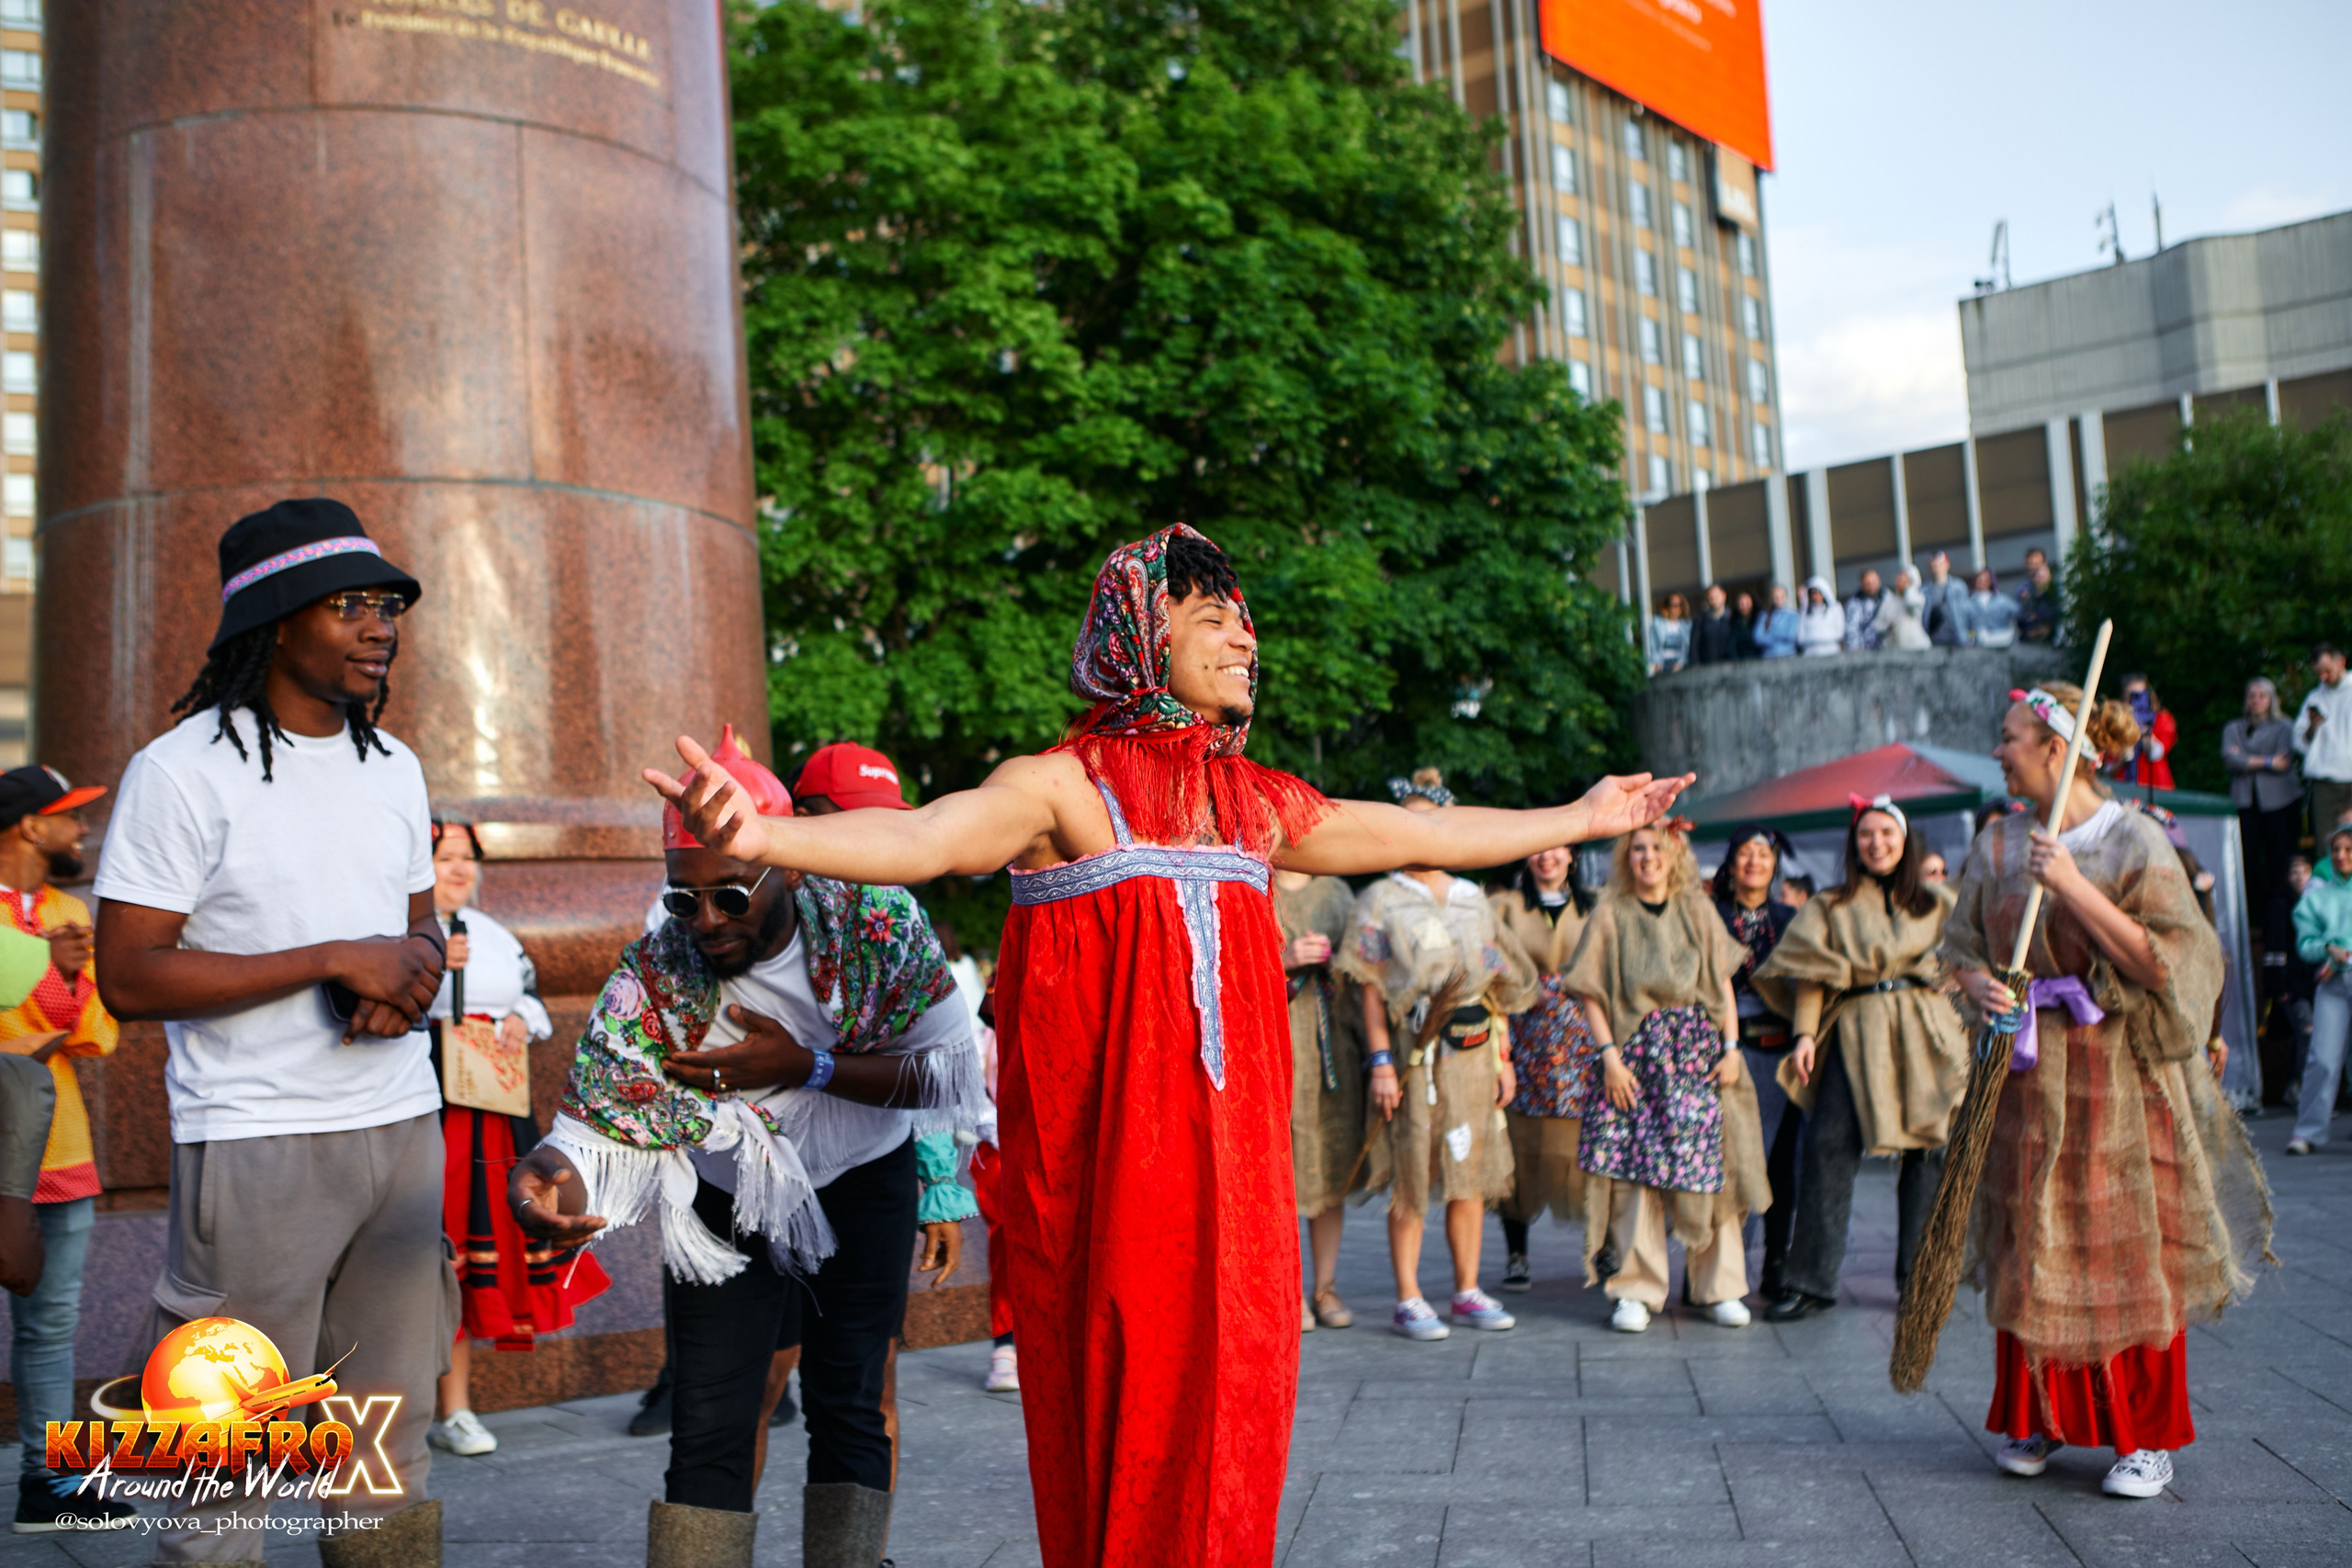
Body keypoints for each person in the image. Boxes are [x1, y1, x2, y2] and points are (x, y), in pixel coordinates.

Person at [638, 525, 1690, 1568]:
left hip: (1239, 1206)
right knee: (1125, 1415)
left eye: (1246, 623)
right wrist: (766, 838)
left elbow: (1421, 831)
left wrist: (1584, 814)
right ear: (1144, 632)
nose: (1246, 642)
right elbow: (925, 837)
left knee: (1240, 1418)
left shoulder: (1253, 803)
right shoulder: (1063, 787)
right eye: (1214, 619)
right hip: (1120, 1199)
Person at [511, 728, 983, 1568]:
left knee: (849, 1399)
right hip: (727, 1194)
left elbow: (944, 1076)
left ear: (789, 863)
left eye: (730, 896)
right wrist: (541, 1180)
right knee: (711, 1415)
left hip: (864, 1173)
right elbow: (591, 1123)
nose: (706, 922)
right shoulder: (657, 968)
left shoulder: (875, 918)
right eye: (683, 899)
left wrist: (807, 1066)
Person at [92, 498, 450, 1563]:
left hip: (402, 1128)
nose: (380, 625)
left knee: (386, 1457)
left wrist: (408, 980)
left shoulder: (396, 767)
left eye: (386, 604)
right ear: (275, 620)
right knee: (222, 1473)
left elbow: (421, 929)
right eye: (350, 605)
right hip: (257, 1145)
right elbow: (127, 975)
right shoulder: (180, 771)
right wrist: (336, 959)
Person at [1945, 683, 2270, 1499]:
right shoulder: (1994, 844)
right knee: (2033, 1241)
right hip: (2027, 1075)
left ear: (2054, 748)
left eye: (2010, 734)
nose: (1999, 748)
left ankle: (2145, 1437)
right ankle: (2040, 1416)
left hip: (2117, 1075)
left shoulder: (2135, 839)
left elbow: (2174, 961)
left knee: (2127, 1252)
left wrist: (2077, 888)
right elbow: (1955, 949)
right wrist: (1979, 983)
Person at [425, 818, 609, 1461]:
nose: (458, 869)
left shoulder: (497, 936)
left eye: (466, 858)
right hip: (426, 1114)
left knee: (478, 1257)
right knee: (428, 1256)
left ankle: (456, 1408)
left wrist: (514, 1019)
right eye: (445, 856)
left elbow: (532, 999)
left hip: (492, 1114)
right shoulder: (399, 932)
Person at [1752, 795, 1966, 1322]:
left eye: (1887, 834)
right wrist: (1804, 1036)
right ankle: (1811, 1279)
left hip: (1925, 1029)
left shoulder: (1939, 902)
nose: (1877, 843)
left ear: (1905, 841)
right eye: (1867, 834)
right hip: (1856, 1026)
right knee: (1828, 1147)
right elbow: (1811, 976)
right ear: (1855, 844)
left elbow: (1974, 957)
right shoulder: (1830, 905)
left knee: (1928, 1150)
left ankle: (1920, 1278)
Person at [1341, 769, 1537, 1339]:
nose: (1420, 830)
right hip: (1415, 1052)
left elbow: (1496, 985)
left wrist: (1504, 1056)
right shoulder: (1380, 898)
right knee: (1412, 1169)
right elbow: (1369, 985)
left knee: (1469, 1171)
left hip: (1476, 1050)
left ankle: (1468, 1288)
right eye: (1411, 819)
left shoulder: (1474, 898)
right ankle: (1408, 1296)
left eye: (1432, 820)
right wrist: (1380, 1060)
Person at [0, 766, 137, 1534]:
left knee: (52, 1324)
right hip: (3, 1149)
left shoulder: (66, 910)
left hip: (59, 1150)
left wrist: (63, 976)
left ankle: (48, 1483)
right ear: (28, 827)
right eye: (68, 817)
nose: (80, 830)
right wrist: (46, 981)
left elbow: (97, 1034)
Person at [1565, 821, 1767, 1333]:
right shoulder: (1609, 913)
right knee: (1635, 1175)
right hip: (1635, 1058)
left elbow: (1722, 983)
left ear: (1674, 854)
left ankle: (1718, 1286)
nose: (1647, 857)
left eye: (1657, 848)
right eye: (1637, 849)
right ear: (1625, 857)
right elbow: (1588, 991)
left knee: (1712, 1170)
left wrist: (1732, 1047)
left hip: (1697, 1055)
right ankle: (1635, 1288)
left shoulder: (1697, 909)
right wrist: (1609, 1057)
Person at [1490, 844, 1598, 1294]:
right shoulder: (1505, 907)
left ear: (1572, 855)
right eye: (1537, 850)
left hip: (1583, 1037)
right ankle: (1517, 1252)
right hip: (1525, 1032)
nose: (1546, 857)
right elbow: (1490, 963)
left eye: (1557, 849)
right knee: (1520, 1139)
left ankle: (1602, 1245)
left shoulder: (1597, 905)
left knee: (1589, 1138)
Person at [1709, 825, 1802, 1300]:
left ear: (1774, 863)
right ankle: (1723, 1270)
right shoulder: (1710, 916)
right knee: (1733, 1159)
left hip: (1785, 1049)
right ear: (1730, 863)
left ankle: (1777, 1266)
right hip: (1727, 1049)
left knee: (1785, 1161)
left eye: (1763, 854)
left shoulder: (1791, 918)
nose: (1753, 862)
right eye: (1744, 853)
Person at [1276, 863, 1366, 1331]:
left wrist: (1339, 962)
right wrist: (1285, 960)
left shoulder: (1336, 889)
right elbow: (1226, 964)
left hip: (1331, 1042)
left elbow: (1365, 967)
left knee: (1328, 1162)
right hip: (1276, 1043)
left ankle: (1325, 1286)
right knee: (1280, 1172)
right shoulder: (1255, 882)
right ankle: (1286, 1290)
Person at [2223, 677, 2301, 963]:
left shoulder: (2284, 726)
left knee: (2279, 859)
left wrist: (2246, 758)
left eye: (2262, 695)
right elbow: (2230, 760)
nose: (2256, 700)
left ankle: (2282, 915)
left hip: (2280, 802)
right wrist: (2267, 761)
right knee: (2246, 859)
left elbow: (2286, 761)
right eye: (2252, 695)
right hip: (2246, 802)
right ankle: (2253, 915)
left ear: (2272, 699)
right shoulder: (2233, 727)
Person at [2286, 823, 2352, 1156]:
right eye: (2336, 849)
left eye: (2348, 849)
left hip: (2341, 973)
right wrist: (2328, 948)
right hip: (2335, 985)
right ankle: (2307, 1131)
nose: (2341, 856)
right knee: (2323, 1058)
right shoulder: (2318, 898)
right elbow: (2305, 944)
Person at [2296, 645, 2352, 852]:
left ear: (2341, 662)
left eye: (2327, 671)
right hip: (2325, 783)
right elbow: (2299, 741)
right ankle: (2327, 884)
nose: (2323, 677)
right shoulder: (2315, 697)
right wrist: (2312, 726)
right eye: (2319, 673)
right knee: (2326, 843)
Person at [2108, 674, 2176, 790]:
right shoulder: (2116, 721)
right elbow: (2108, 768)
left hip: (2156, 788)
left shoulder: (2162, 719)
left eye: (2140, 695)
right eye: (2131, 695)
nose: (2135, 700)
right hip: (2123, 788)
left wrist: (2143, 728)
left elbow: (2155, 753)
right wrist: (2124, 754)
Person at [1918, 551, 1971, 648]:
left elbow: (1966, 612)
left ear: (1947, 565)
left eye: (1939, 564)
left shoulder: (1958, 587)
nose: (1936, 567)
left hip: (1957, 638)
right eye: (1933, 565)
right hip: (1933, 640)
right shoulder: (1924, 590)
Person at [2015, 548, 2061, 644]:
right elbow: (2021, 616)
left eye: (2037, 563)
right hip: (2029, 640)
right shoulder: (2022, 590)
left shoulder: (2056, 589)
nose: (2034, 567)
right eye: (2031, 563)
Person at [1690, 584, 1739, 666]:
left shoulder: (1733, 619)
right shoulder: (1700, 620)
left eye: (1716, 597)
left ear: (1724, 596)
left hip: (1729, 666)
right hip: (1706, 668)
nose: (1713, 600)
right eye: (1710, 598)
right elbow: (1694, 646)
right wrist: (1695, 664)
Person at [1968, 569, 2019, 648]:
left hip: (2001, 641)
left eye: (1985, 579)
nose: (1981, 582)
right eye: (1979, 579)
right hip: (1978, 643)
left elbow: (2018, 613)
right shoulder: (1968, 602)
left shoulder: (2002, 600)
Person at [1796, 577, 1846, 657]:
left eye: (1816, 593)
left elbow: (1840, 632)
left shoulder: (1835, 609)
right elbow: (1800, 636)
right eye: (1811, 593)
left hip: (1831, 650)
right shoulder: (1804, 612)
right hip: (1811, 652)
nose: (1814, 596)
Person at [1883, 571, 1932, 650]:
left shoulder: (1918, 598)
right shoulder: (1890, 602)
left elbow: (1910, 602)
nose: (1900, 583)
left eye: (1904, 581)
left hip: (1918, 647)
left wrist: (1910, 587)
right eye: (1898, 580)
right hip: (1899, 648)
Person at [1647, 592, 1692, 676]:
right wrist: (1656, 663)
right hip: (1662, 663)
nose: (1677, 608)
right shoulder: (1657, 624)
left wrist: (1681, 663)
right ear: (1667, 606)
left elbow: (1687, 646)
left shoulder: (1687, 625)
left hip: (1680, 663)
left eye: (1680, 605)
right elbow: (1653, 646)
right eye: (1674, 605)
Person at [1841, 570, 1887, 652]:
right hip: (1864, 650)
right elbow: (1852, 628)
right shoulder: (1854, 603)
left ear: (1879, 582)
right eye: (1867, 583)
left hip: (1885, 648)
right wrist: (1854, 649)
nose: (1871, 586)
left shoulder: (1887, 599)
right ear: (1862, 584)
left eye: (1873, 582)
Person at [1755, 584, 1799, 660]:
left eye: (1781, 596)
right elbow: (1758, 638)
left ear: (1786, 598)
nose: (1778, 599)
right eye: (1776, 597)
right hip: (1769, 657)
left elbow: (1791, 636)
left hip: (1788, 655)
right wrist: (1780, 635)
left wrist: (1769, 635)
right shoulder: (1764, 615)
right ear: (1772, 599)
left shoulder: (1793, 615)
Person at [1731, 590, 1764, 660]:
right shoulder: (1734, 624)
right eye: (1741, 604)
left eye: (1747, 603)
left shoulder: (1759, 620)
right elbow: (1732, 646)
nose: (1744, 606)